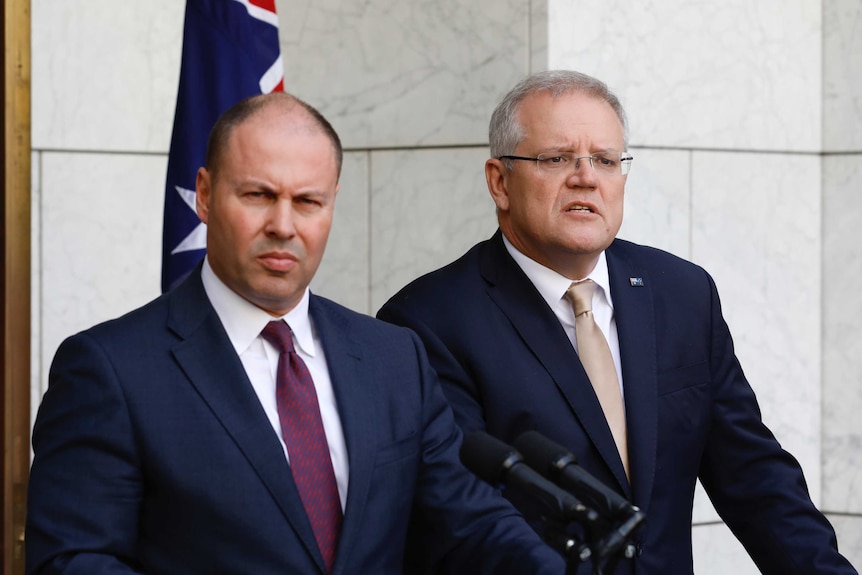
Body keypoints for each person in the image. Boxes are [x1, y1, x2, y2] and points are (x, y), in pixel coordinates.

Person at [26, 92, 567, 575]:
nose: (284, 225)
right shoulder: (110, 370)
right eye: (259, 195)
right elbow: (74, 560)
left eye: (308, 201)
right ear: (206, 196)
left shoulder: (393, 357)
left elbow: (467, 523)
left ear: (331, 204)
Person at [377, 70, 858, 574]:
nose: (586, 177)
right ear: (500, 181)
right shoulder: (425, 323)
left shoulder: (682, 294)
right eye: (557, 158)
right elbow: (468, 519)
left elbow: (758, 481)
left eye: (605, 160)